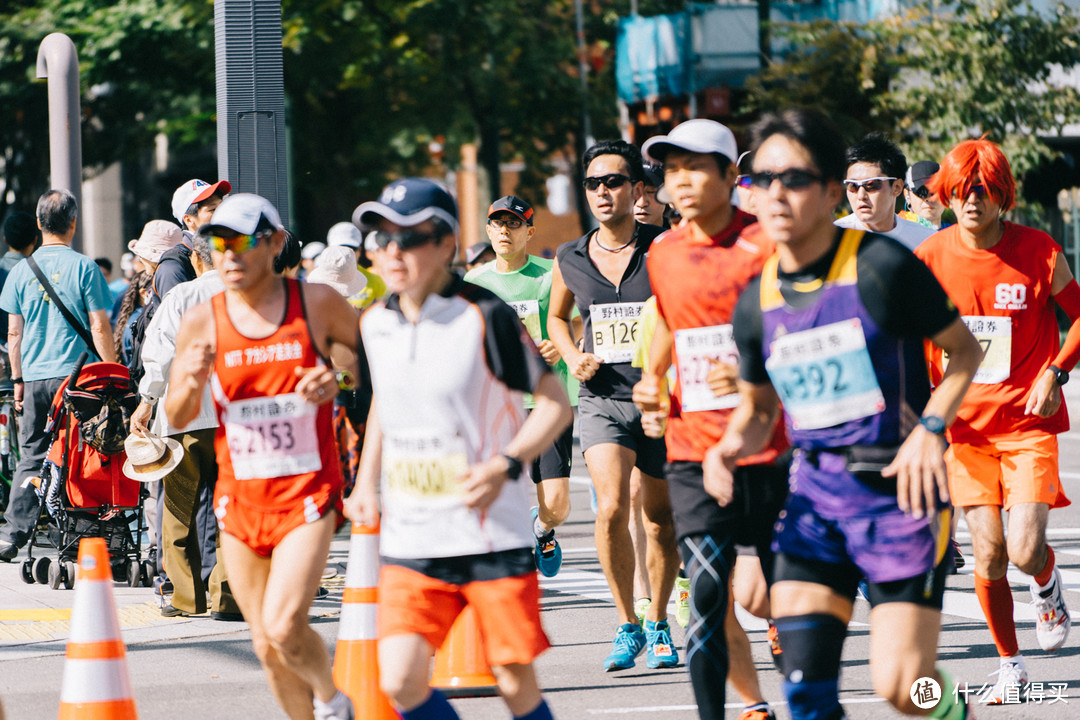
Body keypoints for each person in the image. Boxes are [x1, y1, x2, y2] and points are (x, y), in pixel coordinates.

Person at [705, 108, 983, 720]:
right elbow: (757, 408)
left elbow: (964, 352)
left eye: (795, 179)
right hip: (816, 501)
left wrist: (931, 430)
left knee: (904, 689)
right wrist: (727, 446)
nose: (776, 194)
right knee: (805, 692)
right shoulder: (756, 300)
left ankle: (953, 710)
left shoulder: (884, 268)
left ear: (831, 191)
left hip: (899, 498)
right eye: (763, 180)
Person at [345, 177, 572, 720]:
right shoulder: (375, 323)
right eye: (381, 239)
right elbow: (385, 407)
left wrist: (505, 463)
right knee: (399, 681)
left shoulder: (484, 314)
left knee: (513, 680)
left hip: (489, 530)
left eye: (409, 238)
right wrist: (364, 484)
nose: (391, 252)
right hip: (413, 532)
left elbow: (556, 403)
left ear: (446, 244)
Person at [165, 193, 357, 720]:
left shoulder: (315, 303)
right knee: (265, 644)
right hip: (241, 499)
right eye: (218, 242)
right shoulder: (202, 320)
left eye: (242, 242)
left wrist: (334, 377)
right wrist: (193, 376)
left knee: (285, 623)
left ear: (273, 243)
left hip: (308, 493)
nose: (228, 254)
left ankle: (334, 701)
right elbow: (178, 415)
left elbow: (361, 361)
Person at [915, 137, 1078, 702]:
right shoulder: (929, 258)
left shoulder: (1039, 251)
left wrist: (1056, 372)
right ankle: (1010, 665)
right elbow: (908, 339)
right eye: (961, 190)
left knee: (1025, 549)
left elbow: (1079, 318)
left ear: (1001, 194)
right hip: (965, 432)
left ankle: (1047, 583)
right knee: (986, 553)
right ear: (948, 194)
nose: (972, 200)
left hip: (1027, 426)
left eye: (983, 190)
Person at [636, 118, 787, 720]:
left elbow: (810, 327)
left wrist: (757, 374)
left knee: (782, 600)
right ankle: (736, 710)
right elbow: (672, 324)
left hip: (772, 445)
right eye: (672, 171)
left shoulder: (770, 245)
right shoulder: (664, 252)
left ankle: (805, 697)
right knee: (705, 592)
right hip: (693, 444)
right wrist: (653, 378)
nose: (683, 182)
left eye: (697, 167)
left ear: (730, 174)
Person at [548, 139, 680, 671]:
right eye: (593, 184)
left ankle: (661, 620)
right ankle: (628, 622)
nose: (603, 192)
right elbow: (556, 318)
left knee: (659, 522)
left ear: (636, 189)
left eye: (614, 182)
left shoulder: (666, 248)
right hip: (602, 399)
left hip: (659, 398)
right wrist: (570, 352)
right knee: (609, 510)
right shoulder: (570, 257)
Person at [0, 190, 116, 562]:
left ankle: (13, 532)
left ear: (38, 224)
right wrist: (113, 374)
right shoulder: (85, 267)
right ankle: (77, 529)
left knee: (32, 452)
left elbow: (13, 334)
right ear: (73, 223)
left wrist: (18, 380)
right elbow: (99, 326)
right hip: (77, 377)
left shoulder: (20, 270)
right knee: (79, 449)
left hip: (34, 377)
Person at [464, 195, 576, 577]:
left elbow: (573, 323)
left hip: (546, 400)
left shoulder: (550, 274)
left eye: (513, 224)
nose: (504, 231)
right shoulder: (474, 282)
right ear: (488, 231)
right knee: (493, 493)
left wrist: (559, 347)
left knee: (558, 504)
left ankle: (543, 530)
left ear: (529, 231)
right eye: (497, 223)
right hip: (497, 400)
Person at [131, 233, 241, 621]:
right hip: (233, 419)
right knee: (228, 508)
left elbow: (158, 355)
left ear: (196, 258)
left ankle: (185, 598)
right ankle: (227, 598)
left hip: (185, 417)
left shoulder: (181, 297)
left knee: (178, 509)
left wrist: (146, 403)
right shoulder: (241, 296)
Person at [835, 132, 934, 251]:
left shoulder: (926, 240)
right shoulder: (831, 240)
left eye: (871, 185)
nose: (861, 195)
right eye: (852, 186)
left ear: (897, 187)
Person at [0, 212, 38, 342]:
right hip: (32, 348)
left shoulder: (1, 269)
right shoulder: (41, 272)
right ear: (35, 239)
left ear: (5, 240)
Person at [901, 160, 946, 230]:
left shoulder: (960, 235)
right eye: (922, 192)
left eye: (934, 191)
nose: (929, 199)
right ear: (907, 195)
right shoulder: (895, 236)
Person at [634, 161, 669, 228]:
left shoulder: (684, 235)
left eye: (650, 191)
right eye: (635, 192)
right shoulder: (610, 236)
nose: (642, 203)